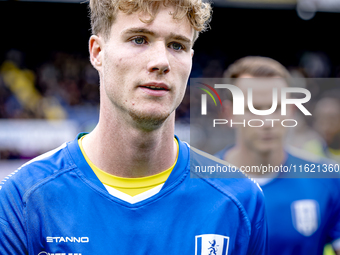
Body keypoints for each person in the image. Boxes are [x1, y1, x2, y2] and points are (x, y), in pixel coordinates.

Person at [0, 1, 267, 254]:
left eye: (177, 45)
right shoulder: (23, 199)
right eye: (139, 39)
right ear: (97, 53)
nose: (162, 61)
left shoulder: (240, 200)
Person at [215, 56, 340, 255]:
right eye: (254, 108)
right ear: (229, 114)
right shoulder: (200, 184)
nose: (267, 121)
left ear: (290, 110)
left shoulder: (327, 179)